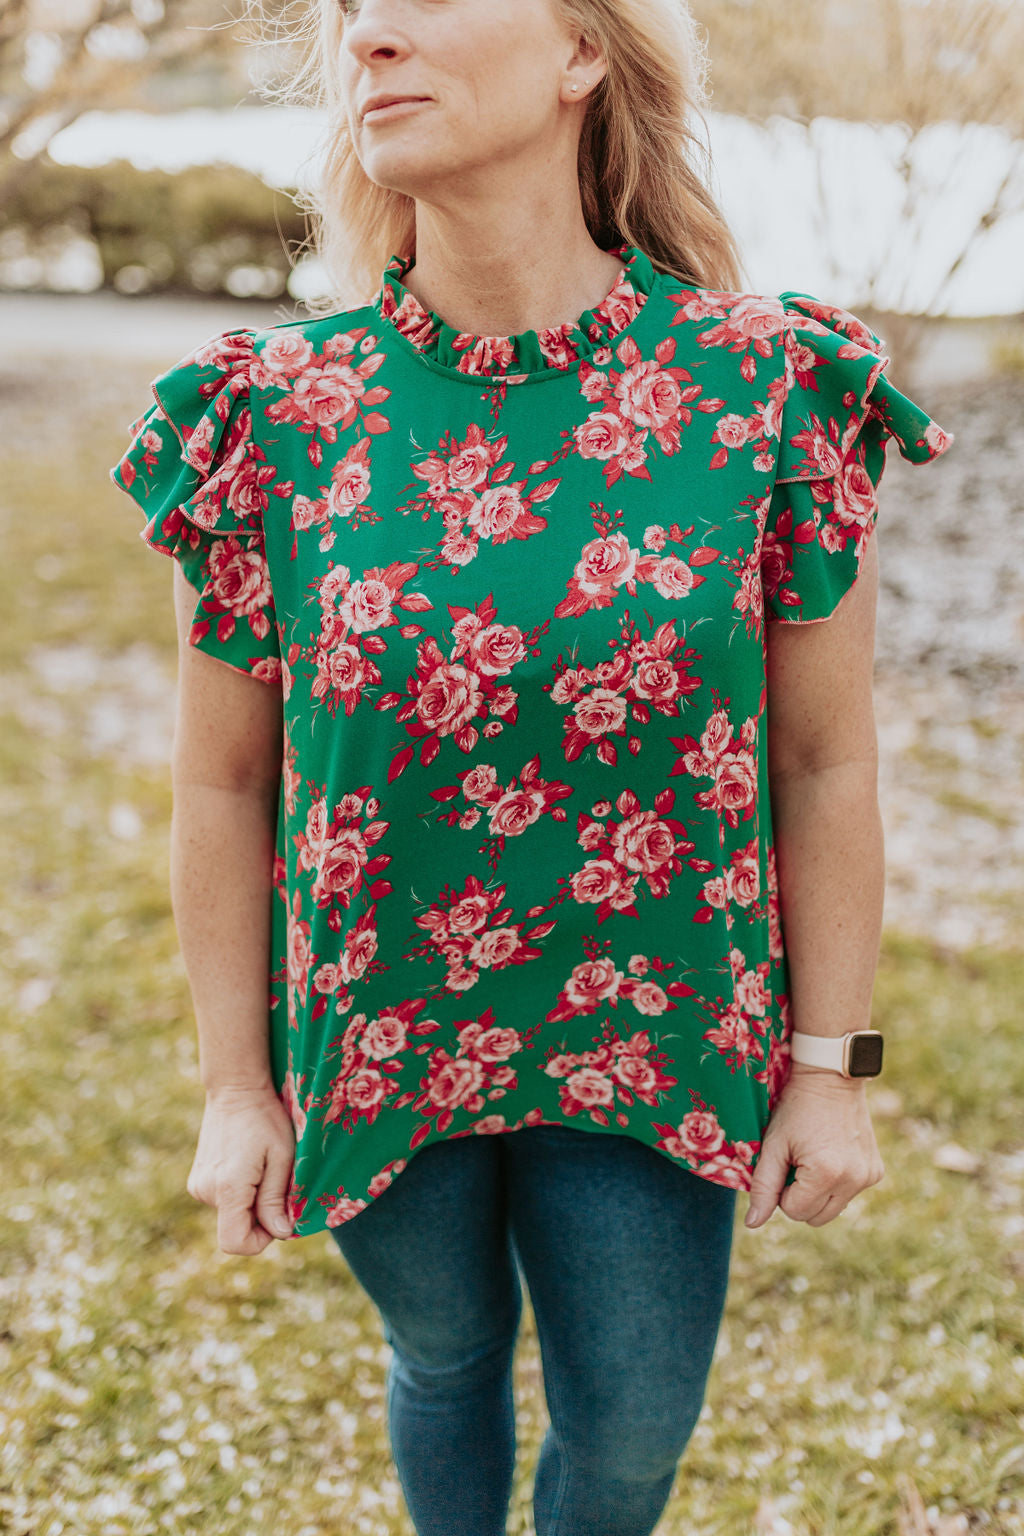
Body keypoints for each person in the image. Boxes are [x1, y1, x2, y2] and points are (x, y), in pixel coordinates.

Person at [108, 1, 955, 1531]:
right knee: (442, 1358)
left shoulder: (767, 393)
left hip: (655, 1034)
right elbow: (222, 784)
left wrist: (833, 1071)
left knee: (629, 1436)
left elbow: (826, 762)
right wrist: (237, 1086)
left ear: (583, 52)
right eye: (354, 11)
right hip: (380, 1036)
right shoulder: (271, 417)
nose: (370, 36)